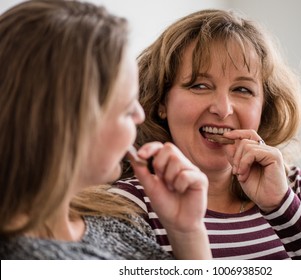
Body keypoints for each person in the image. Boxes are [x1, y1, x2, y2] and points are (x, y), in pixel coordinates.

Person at [113, 9, 301, 260]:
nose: (223, 109)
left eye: (242, 89)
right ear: (161, 102)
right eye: (200, 85)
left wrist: (281, 205)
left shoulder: (298, 187)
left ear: (265, 107)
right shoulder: (129, 204)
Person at [0, 0, 211, 260]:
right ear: (68, 124)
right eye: (126, 108)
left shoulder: (112, 218)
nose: (141, 115)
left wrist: (187, 232)